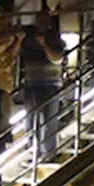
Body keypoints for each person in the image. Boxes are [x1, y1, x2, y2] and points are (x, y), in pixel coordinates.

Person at [18, 24, 66, 163]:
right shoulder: (29, 41)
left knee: (48, 121)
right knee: (29, 121)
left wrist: (44, 44)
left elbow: (56, 58)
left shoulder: (57, 41)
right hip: (31, 84)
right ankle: (33, 152)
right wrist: (19, 40)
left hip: (50, 85)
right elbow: (17, 54)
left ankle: (48, 154)